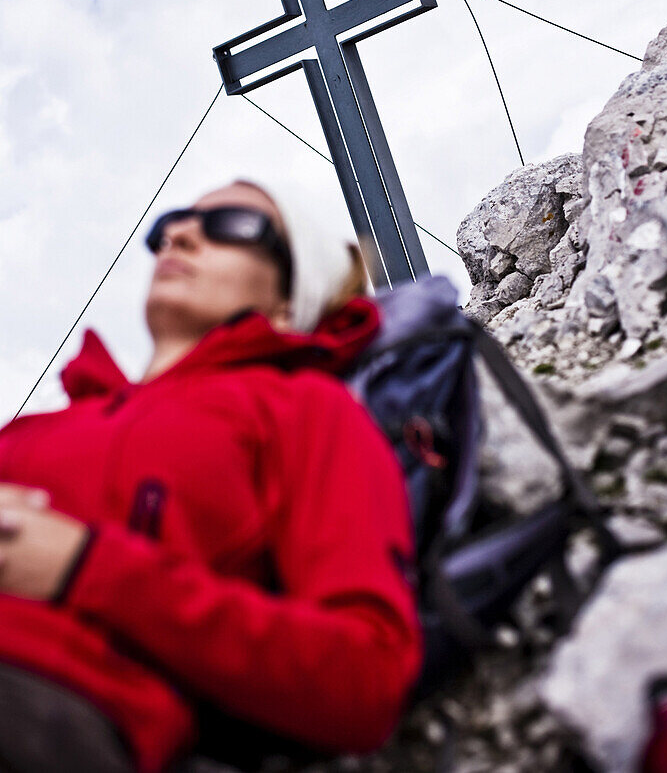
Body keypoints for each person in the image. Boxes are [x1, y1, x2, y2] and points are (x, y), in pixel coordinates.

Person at [0, 180, 423, 773]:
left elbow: (367, 677)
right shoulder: (30, 429)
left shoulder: (303, 409)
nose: (178, 235)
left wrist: (88, 568)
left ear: (288, 300)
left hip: (49, 704)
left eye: (233, 225)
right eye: (172, 223)